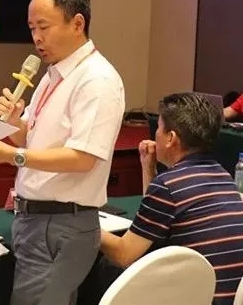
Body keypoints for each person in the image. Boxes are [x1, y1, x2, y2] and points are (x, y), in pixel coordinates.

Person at [0, 0, 125, 305]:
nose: (36, 37)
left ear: (77, 23)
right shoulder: (54, 74)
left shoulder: (97, 79)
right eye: (31, 28)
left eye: (44, 27)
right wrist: (15, 124)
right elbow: (34, 140)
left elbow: (83, 158)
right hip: (36, 219)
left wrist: (10, 154)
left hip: (61, 222)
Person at [100, 92, 243, 304]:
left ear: (170, 138)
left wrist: (83, 224)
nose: (155, 134)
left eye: (158, 128)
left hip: (197, 298)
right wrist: (148, 168)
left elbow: (124, 254)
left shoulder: (168, 186)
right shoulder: (223, 175)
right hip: (226, 297)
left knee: (105, 268)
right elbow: (157, 220)